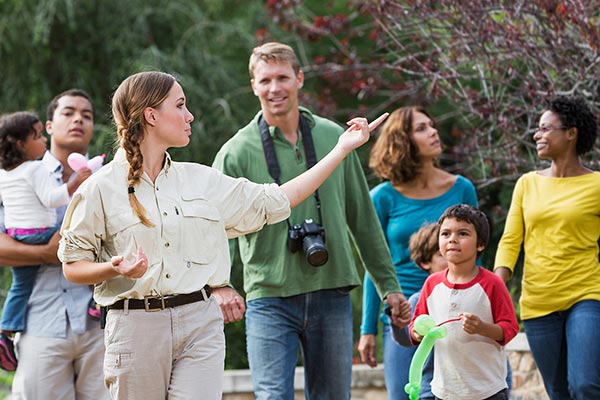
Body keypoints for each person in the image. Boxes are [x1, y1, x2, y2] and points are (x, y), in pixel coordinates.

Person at [57, 70, 388, 399]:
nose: (190, 115)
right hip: (135, 328)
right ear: (151, 115)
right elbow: (73, 266)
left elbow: (279, 199)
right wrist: (113, 268)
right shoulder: (99, 189)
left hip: (199, 322)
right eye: (181, 105)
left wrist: (341, 150)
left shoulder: (202, 180)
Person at [211, 41, 410, 400]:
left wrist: (389, 286)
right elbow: (212, 228)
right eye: (266, 79)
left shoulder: (335, 137)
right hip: (268, 296)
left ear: (299, 79)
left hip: (330, 291)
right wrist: (219, 284)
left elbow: (362, 217)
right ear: (254, 85)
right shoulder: (235, 152)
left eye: (283, 77)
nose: (275, 88)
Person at [357, 106, 478, 399]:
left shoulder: (462, 189)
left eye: (432, 125)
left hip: (454, 314)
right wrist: (367, 329)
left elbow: (478, 257)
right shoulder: (382, 198)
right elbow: (374, 265)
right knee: (405, 394)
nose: (434, 131)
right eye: (421, 128)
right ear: (402, 141)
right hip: (404, 318)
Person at [0, 89, 108, 399]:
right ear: (47, 127)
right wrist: (45, 253)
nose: (78, 119)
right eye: (69, 112)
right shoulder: (14, 175)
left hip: (101, 325)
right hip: (41, 321)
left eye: (86, 115)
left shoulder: (107, 177)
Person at [494, 95, 600, 400]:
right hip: (538, 299)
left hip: (586, 293)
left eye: (544, 128)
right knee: (557, 391)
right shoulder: (527, 184)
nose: (537, 135)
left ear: (571, 132)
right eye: (536, 129)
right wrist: (493, 287)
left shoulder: (596, 185)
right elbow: (511, 240)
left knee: (586, 384)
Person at [410, 204, 519, 400]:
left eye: (462, 233)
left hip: (488, 391)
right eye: (445, 234)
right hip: (444, 391)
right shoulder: (431, 284)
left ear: (480, 244)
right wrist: (417, 332)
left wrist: (482, 328)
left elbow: (509, 328)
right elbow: (417, 322)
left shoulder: (492, 283)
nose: (452, 239)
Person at [391, 223, 447, 400]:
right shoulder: (418, 300)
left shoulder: (477, 293)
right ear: (425, 262)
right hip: (431, 390)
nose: (450, 256)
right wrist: (398, 323)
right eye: (441, 254)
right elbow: (406, 340)